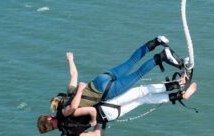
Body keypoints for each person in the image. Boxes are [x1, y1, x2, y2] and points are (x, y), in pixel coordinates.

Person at [50, 36, 184, 111]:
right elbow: (74, 75)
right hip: (99, 80)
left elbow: (74, 107)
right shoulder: (69, 91)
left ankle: (161, 57)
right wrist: (70, 60)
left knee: (138, 75)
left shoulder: (68, 109)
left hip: (106, 91)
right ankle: (156, 41)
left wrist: (80, 91)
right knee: (130, 61)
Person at [37, 79, 197, 136]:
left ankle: (179, 96)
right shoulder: (64, 115)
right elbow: (89, 111)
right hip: (105, 108)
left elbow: (98, 134)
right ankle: (178, 84)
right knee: (141, 92)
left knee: (143, 100)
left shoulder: (70, 134)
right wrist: (93, 118)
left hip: (110, 116)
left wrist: (97, 123)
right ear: (49, 119)